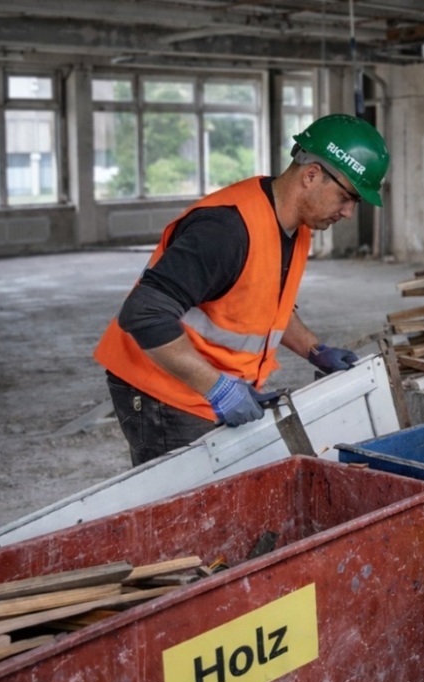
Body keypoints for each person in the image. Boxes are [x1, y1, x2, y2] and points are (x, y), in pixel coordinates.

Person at [94, 114, 389, 466]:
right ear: (311, 176)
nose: (348, 213)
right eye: (346, 197)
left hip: (210, 386)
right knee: (185, 512)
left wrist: (314, 349)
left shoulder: (296, 226)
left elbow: (265, 304)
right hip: (165, 389)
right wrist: (217, 388)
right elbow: (143, 312)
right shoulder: (225, 230)